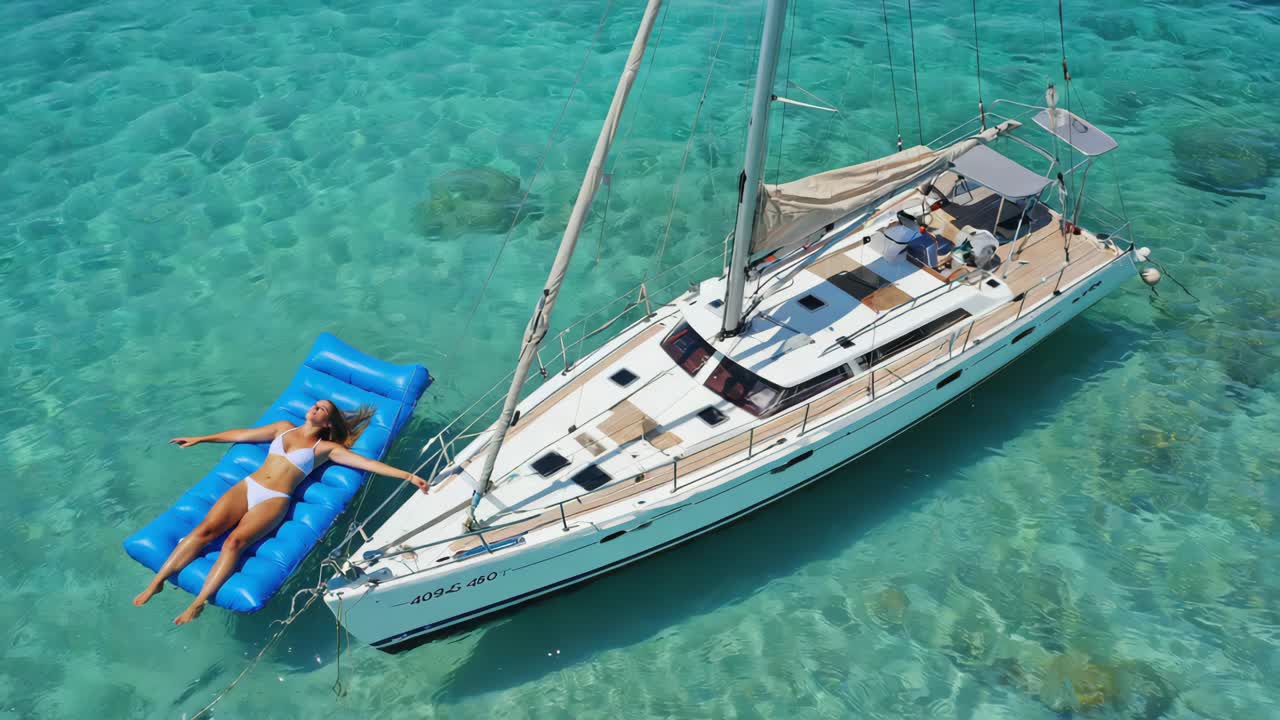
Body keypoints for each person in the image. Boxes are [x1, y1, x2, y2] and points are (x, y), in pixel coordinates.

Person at [132, 399, 430, 625]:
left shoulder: (324, 448)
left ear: (328, 423)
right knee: (201, 532)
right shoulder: (283, 428)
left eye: (322, 409)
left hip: (274, 499)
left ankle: (198, 603)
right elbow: (244, 434)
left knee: (234, 543)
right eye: (315, 405)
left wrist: (406, 475)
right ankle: (156, 583)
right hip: (248, 486)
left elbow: (365, 463)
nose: (314, 409)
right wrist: (201, 438)